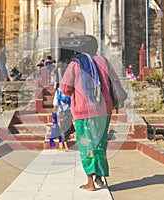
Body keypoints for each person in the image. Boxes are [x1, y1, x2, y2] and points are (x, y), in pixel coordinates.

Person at [60, 35, 115, 191]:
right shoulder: (104, 62)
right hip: (104, 109)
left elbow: (65, 88)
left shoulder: (75, 64)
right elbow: (115, 82)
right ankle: (99, 176)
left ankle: (90, 181)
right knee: (100, 143)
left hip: (84, 111)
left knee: (86, 145)